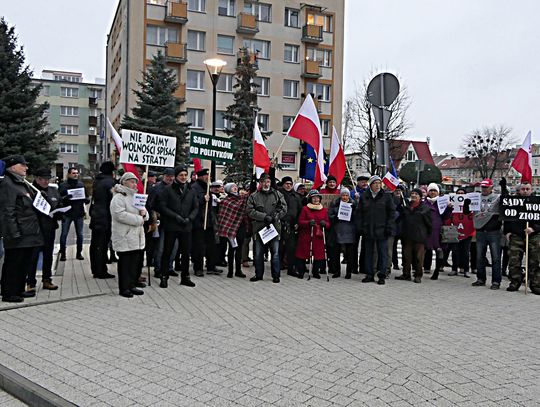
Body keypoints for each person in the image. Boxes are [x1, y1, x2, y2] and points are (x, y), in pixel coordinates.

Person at [0, 155, 43, 302]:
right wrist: (13, 233)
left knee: (23, 263)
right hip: (18, 233)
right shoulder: (8, 184)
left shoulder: (21, 183)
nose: (26, 168)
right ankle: (9, 292)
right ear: (13, 167)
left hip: (27, 232)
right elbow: (7, 211)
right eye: (23, 165)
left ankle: (18, 289)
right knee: (14, 264)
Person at [158, 165, 198, 288]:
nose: (184, 177)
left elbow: (195, 206)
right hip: (172, 225)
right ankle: (164, 276)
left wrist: (190, 218)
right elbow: (163, 207)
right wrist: (176, 217)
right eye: (181, 175)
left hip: (186, 226)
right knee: (168, 251)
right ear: (176, 176)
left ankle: (185, 277)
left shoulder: (191, 190)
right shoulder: (168, 190)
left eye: (185, 175)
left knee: (186, 253)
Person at [27, 168, 66, 292]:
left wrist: (61, 212)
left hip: (49, 228)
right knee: (33, 257)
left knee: (48, 255)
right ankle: (30, 282)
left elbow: (58, 204)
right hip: (35, 229)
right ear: (37, 179)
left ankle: (47, 280)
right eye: (43, 179)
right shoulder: (30, 191)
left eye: (48, 179)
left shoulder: (53, 191)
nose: (46, 182)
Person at [110, 172, 148, 298]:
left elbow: (144, 213)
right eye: (132, 181)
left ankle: (132, 285)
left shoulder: (136, 197)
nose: (134, 184)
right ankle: (124, 288)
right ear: (124, 182)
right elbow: (119, 215)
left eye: (135, 181)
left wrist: (144, 214)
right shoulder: (118, 197)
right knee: (125, 264)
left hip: (136, 237)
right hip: (124, 236)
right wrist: (138, 219)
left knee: (134, 263)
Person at [246, 172, 287, 283]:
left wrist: (275, 217)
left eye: (268, 181)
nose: (266, 184)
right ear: (260, 183)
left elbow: (284, 208)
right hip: (259, 229)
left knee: (275, 253)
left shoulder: (277, 194)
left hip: (274, 229)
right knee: (258, 254)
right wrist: (264, 217)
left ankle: (276, 276)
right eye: (263, 181)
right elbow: (250, 211)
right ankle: (258, 275)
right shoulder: (254, 196)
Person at [357, 175, 395, 285]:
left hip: (382, 230)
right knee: (368, 253)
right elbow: (360, 213)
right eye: (375, 183)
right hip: (368, 229)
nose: (378, 185)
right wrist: (361, 227)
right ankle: (369, 274)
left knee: (383, 253)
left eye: (379, 183)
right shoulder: (365, 196)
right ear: (371, 185)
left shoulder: (386, 197)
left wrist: (389, 228)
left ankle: (382, 275)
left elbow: (391, 214)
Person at [504, 181, 540, 294]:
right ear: (519, 190)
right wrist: (507, 232)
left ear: (531, 190)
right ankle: (515, 282)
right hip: (516, 236)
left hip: (533, 236)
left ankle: (535, 285)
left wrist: (534, 229)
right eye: (523, 189)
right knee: (514, 261)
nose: (525, 191)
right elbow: (507, 216)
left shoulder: (537, 202)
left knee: (535, 261)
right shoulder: (512, 202)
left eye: (527, 189)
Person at [395, 188, 432, 283]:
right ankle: (406, 274)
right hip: (407, 236)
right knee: (406, 257)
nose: (414, 195)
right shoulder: (406, 206)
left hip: (419, 237)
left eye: (416, 194)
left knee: (419, 258)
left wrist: (427, 235)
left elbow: (429, 223)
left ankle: (418, 275)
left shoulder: (425, 208)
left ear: (420, 196)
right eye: (412, 193)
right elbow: (399, 218)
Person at [472, 178, 503, 290]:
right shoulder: (476, 197)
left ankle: (496, 281)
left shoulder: (497, 197)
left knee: (496, 258)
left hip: (493, 231)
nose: (484, 189)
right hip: (480, 231)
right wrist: (466, 204)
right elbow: (467, 211)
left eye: (486, 187)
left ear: (491, 187)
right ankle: (481, 279)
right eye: (482, 187)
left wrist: (503, 188)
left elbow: (506, 200)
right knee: (479, 257)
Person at [191, 168, 221, 276]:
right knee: (199, 246)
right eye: (206, 176)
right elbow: (192, 204)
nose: (209, 178)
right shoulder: (194, 188)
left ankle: (211, 266)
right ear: (201, 176)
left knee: (211, 245)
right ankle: (198, 268)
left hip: (208, 221)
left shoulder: (207, 187)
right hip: (199, 221)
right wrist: (203, 199)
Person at [89, 161, 117, 279]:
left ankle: (95, 269)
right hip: (105, 218)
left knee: (95, 244)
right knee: (102, 244)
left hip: (96, 216)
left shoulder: (97, 181)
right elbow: (114, 201)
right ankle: (101, 271)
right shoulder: (110, 183)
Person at [294, 190, 330, 279]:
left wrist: (324, 224)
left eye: (317, 198)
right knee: (302, 254)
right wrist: (308, 222)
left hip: (318, 236)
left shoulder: (324, 210)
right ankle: (301, 271)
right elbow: (300, 221)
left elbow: (328, 223)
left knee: (318, 255)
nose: (316, 199)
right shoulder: (305, 209)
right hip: (306, 234)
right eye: (314, 198)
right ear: (310, 199)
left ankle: (315, 271)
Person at [147, 168, 175, 278]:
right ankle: (158, 269)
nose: (170, 178)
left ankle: (169, 267)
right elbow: (151, 204)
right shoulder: (156, 189)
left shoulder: (176, 188)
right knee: (160, 247)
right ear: (164, 176)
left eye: (172, 176)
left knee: (173, 247)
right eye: (168, 176)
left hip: (174, 221)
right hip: (161, 221)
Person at [216, 183, 248, 278]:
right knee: (231, 249)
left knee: (239, 249)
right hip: (230, 228)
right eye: (233, 187)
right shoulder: (226, 201)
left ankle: (238, 270)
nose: (235, 188)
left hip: (240, 227)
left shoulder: (242, 199)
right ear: (229, 190)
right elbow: (223, 216)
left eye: (236, 187)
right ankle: (230, 271)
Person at [423, 183, 452, 280]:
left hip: (438, 230)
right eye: (431, 190)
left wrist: (448, 208)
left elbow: (446, 217)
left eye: (434, 191)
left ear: (438, 192)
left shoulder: (441, 202)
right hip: (426, 230)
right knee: (424, 250)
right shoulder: (424, 202)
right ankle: (422, 268)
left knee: (439, 251)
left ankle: (436, 271)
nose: (432, 192)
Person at [58, 167, 89, 261]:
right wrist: (65, 198)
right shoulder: (63, 185)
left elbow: (87, 198)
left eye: (77, 173)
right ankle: (63, 253)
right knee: (64, 234)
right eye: (73, 173)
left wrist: (85, 200)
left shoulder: (81, 184)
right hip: (67, 213)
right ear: (69, 174)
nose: (76, 175)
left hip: (79, 213)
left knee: (80, 234)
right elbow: (59, 199)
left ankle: (79, 253)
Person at [328, 188, 356, 278]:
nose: (344, 197)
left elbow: (359, 216)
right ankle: (337, 271)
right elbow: (329, 214)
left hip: (350, 231)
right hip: (338, 231)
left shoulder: (354, 204)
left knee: (350, 254)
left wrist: (354, 211)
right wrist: (334, 217)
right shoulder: (335, 203)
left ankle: (349, 272)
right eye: (343, 195)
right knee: (336, 253)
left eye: (346, 195)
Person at [278, 176, 303, 276]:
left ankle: (291, 268)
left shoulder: (296, 196)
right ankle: (277, 266)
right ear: (283, 184)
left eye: (290, 184)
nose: (288, 186)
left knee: (291, 248)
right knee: (279, 248)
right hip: (280, 223)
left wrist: (298, 222)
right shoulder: (278, 194)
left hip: (292, 225)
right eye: (286, 184)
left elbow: (300, 211)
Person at [448, 188, 474, 278]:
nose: (460, 195)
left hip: (467, 232)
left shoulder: (469, 206)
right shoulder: (453, 206)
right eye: (458, 193)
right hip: (455, 231)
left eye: (462, 193)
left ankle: (466, 270)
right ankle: (454, 269)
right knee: (455, 251)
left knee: (466, 252)